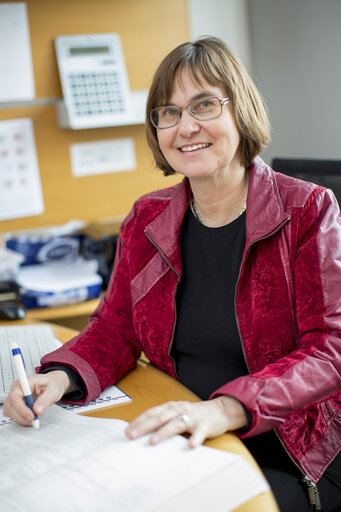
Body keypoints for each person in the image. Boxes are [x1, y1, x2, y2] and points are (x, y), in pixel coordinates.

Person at [4, 37, 341, 512]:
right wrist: (60, 376)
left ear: (238, 110)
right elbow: (116, 327)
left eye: (203, 105)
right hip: (178, 430)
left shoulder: (308, 210)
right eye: (167, 113)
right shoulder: (148, 218)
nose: (186, 127)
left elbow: (329, 350)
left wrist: (224, 409)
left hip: (289, 449)